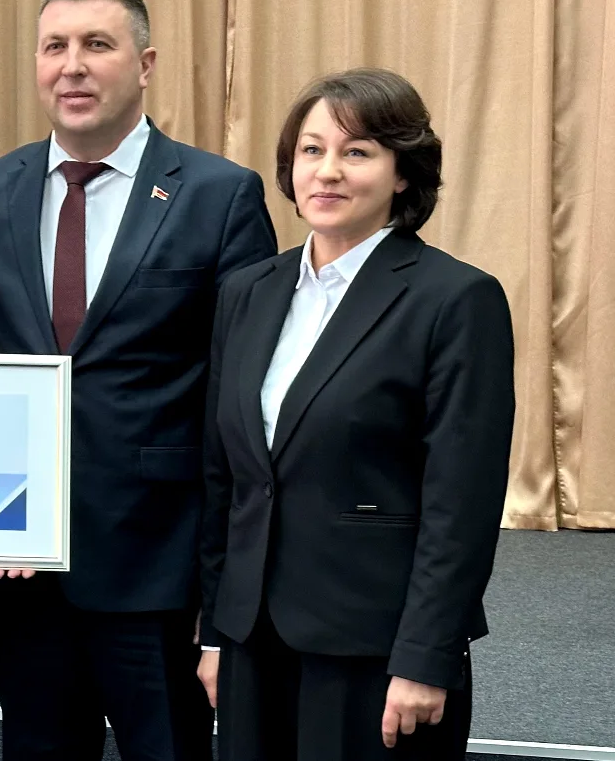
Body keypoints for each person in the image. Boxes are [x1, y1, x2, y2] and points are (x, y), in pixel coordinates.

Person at [0, 0, 278, 761]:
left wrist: (223, 583)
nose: (73, 66)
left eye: (97, 44)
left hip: (158, 561)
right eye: (54, 47)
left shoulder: (219, 194)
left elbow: (242, 397)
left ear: (145, 63)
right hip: (22, 562)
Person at [198, 67, 516, 760]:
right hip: (253, 638)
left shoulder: (456, 300)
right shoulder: (248, 291)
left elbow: (461, 502)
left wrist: (426, 656)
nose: (328, 171)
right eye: (312, 150)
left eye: (358, 151)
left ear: (402, 174)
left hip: (376, 648)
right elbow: (227, 477)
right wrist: (215, 632)